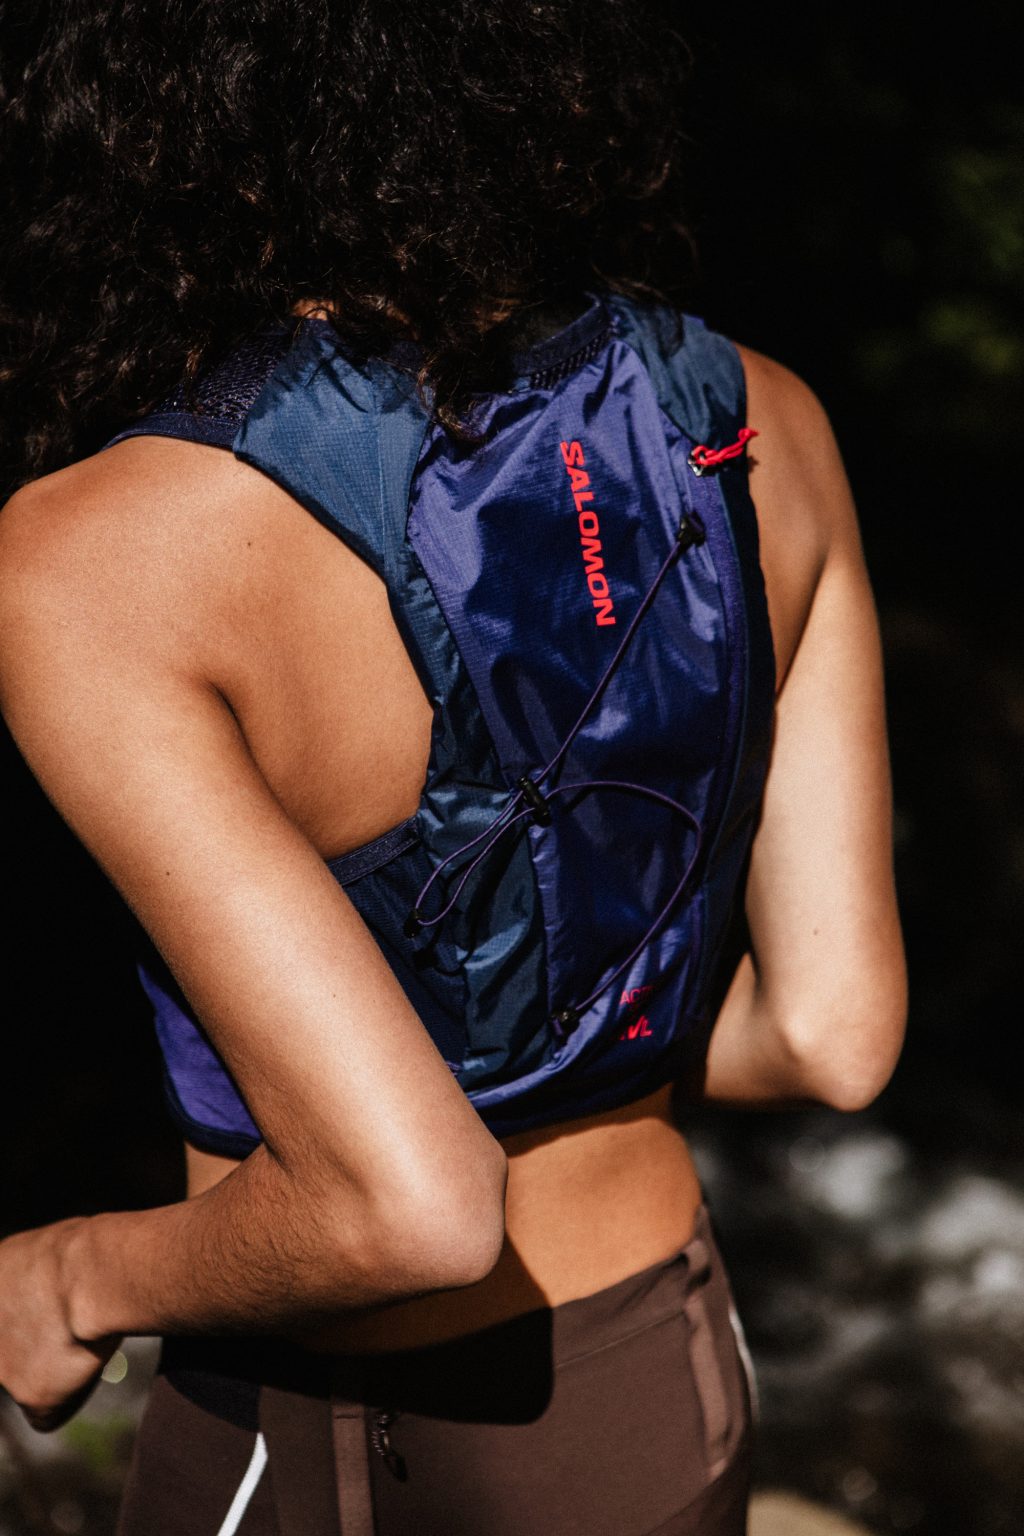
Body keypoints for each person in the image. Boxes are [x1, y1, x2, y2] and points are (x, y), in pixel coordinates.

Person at [0, 3, 906, 1533]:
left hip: (320, 1431)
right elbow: (834, 1036)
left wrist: (66, 1275)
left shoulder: (98, 555)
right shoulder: (765, 423)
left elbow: (406, 1207)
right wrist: (582, 1059)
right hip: (657, 1382)